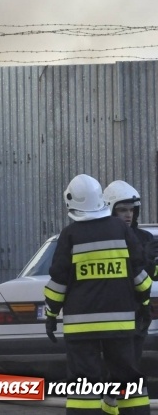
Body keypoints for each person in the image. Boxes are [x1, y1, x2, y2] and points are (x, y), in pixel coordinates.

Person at [44, 174, 151, 415]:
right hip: (121, 324)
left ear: (72, 203)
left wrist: (51, 314)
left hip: (81, 328)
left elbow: (59, 282)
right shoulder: (120, 231)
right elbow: (138, 275)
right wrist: (145, 304)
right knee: (128, 380)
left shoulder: (69, 235)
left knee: (85, 384)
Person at [103, 180, 158, 367]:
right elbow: (120, 272)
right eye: (123, 210)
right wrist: (144, 258)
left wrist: (151, 263)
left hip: (139, 313)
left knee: (132, 364)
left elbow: (152, 276)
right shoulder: (106, 238)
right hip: (112, 311)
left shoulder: (145, 238)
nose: (128, 214)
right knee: (112, 367)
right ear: (111, 210)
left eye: (132, 210)